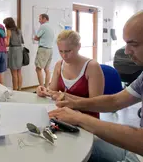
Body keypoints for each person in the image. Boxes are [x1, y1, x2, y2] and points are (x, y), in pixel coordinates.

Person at [49, 11, 143, 162]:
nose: (126, 51)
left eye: (134, 44)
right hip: (134, 152)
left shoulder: (91, 66)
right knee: (64, 148)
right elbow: (115, 101)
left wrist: (79, 118)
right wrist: (73, 101)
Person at [37, 30, 104, 118]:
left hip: (87, 119)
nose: (64, 56)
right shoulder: (59, 65)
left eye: (68, 51)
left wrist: (67, 98)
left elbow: (97, 104)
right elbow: (52, 92)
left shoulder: (92, 67)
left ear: (79, 46)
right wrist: (44, 91)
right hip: (66, 116)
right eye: (61, 51)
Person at [34, 14, 54, 88]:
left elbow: (36, 37)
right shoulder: (51, 27)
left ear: (45, 18)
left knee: (38, 69)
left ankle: (41, 88)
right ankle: (46, 88)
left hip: (43, 49)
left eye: (40, 19)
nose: (39, 21)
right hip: (50, 49)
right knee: (47, 69)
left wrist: (38, 38)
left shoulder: (43, 26)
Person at [3, 17, 24, 90]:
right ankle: (20, 89)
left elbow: (7, 43)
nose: (5, 25)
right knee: (19, 72)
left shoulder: (9, 31)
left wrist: (3, 38)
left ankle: (15, 90)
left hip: (13, 51)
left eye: (5, 24)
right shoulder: (19, 30)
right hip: (19, 50)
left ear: (8, 24)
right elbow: (22, 41)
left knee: (14, 73)